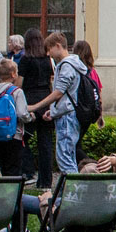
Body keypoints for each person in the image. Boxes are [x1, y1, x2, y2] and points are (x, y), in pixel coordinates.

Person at [41, 33, 85, 176]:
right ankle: (70, 192)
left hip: (67, 117)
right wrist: (53, 111)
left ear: (58, 46)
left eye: (49, 49)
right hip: (68, 115)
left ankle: (73, 193)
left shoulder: (67, 65)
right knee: (69, 156)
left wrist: (36, 106)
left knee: (64, 158)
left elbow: (59, 93)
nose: (49, 54)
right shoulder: (74, 64)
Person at [0, 57, 32, 178]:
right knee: (13, 168)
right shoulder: (16, 91)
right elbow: (22, 113)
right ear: (13, 74)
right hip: (14, 135)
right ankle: (12, 194)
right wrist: (30, 118)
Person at [18, 28, 55, 188]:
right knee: (45, 143)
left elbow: (19, 84)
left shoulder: (26, 60)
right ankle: (45, 181)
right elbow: (51, 81)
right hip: (45, 100)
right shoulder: (47, 60)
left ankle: (29, 171)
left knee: (22, 138)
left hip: (30, 101)